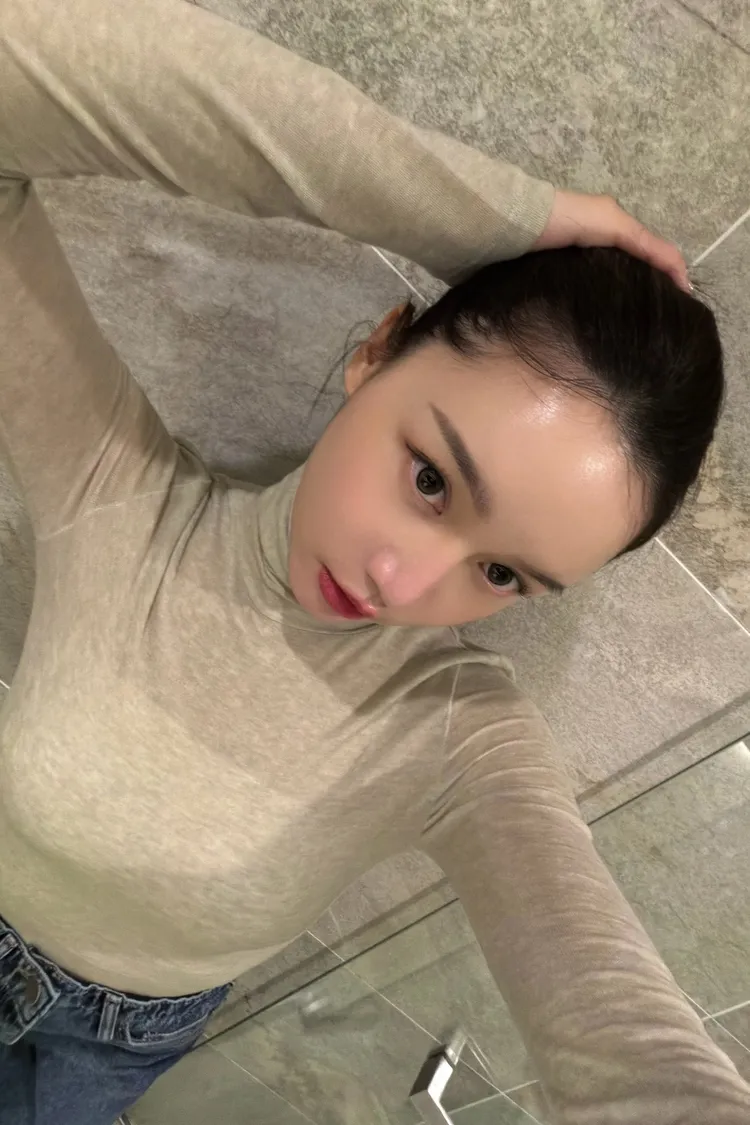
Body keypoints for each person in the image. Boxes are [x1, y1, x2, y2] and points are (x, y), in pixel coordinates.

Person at [0, 0, 747, 1123]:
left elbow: (626, 1037)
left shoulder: (452, 735)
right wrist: (504, 216)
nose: (402, 583)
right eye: (432, 478)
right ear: (379, 349)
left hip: (102, 1058)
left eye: (502, 575)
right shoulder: (114, 489)